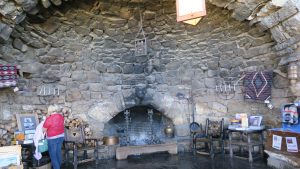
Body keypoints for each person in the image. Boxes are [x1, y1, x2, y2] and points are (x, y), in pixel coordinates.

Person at [43, 105, 64, 169]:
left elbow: (44, 129)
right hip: (61, 136)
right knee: (58, 152)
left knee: (53, 154)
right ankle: (59, 166)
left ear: (49, 110)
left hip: (52, 138)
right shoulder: (61, 116)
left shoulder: (49, 119)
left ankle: (56, 168)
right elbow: (63, 123)